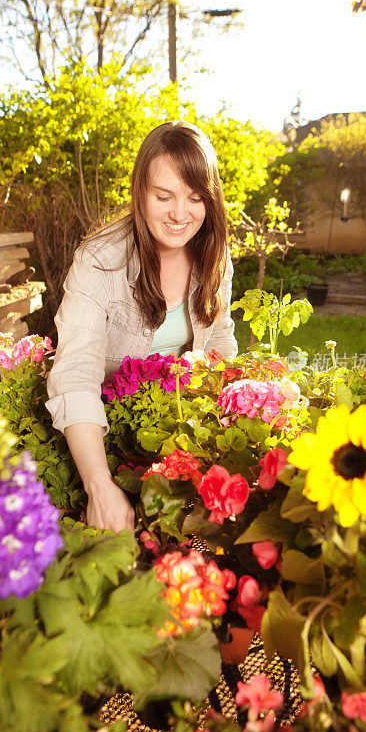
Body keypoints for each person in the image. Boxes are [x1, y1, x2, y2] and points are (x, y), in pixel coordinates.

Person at [46, 121, 238, 533]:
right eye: (164, 196)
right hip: (104, 438)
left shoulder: (213, 256)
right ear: (141, 193)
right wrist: (100, 487)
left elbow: (220, 343)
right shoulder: (100, 262)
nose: (179, 214)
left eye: (195, 198)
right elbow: (75, 377)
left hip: (177, 428)